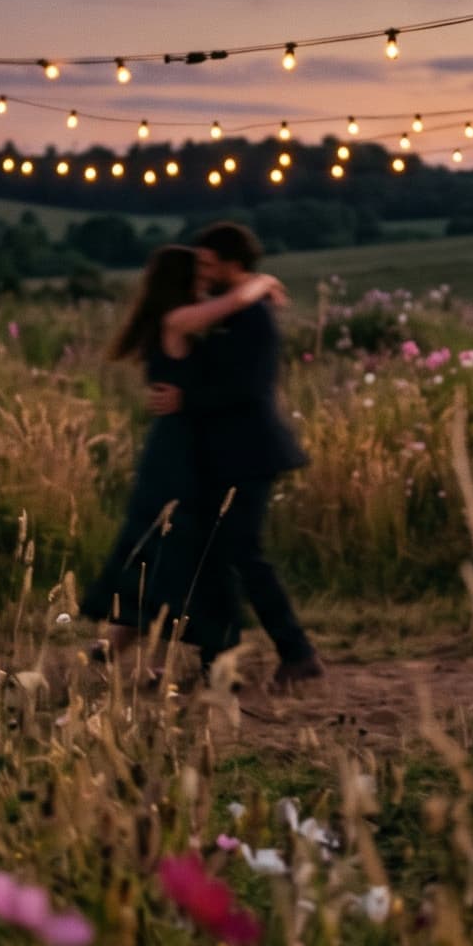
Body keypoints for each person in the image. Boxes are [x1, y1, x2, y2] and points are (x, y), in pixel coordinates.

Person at [82, 244, 288, 665]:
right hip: (178, 449)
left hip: (183, 441)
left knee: (168, 542)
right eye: (198, 278)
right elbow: (236, 301)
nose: (205, 285)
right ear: (181, 281)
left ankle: (123, 641)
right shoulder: (178, 320)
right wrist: (262, 281)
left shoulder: (177, 319)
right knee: (171, 541)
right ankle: (163, 642)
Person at [146, 221, 324, 690]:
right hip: (223, 455)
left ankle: (297, 653)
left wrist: (188, 401)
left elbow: (249, 388)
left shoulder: (253, 318)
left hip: (251, 452)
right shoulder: (227, 311)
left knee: (243, 553)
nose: (201, 270)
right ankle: (218, 662)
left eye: (208, 262)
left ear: (232, 264)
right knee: (215, 557)